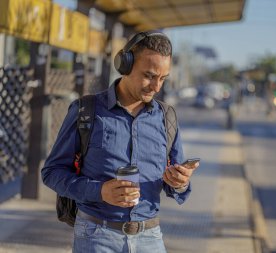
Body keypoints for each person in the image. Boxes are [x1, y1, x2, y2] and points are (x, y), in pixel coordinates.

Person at [41, 31, 199, 253]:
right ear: (125, 65)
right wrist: (100, 191)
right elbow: (51, 172)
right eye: (149, 75)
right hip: (96, 237)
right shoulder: (86, 110)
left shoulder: (167, 118)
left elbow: (178, 188)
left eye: (163, 78)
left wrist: (180, 182)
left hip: (150, 238)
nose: (156, 87)